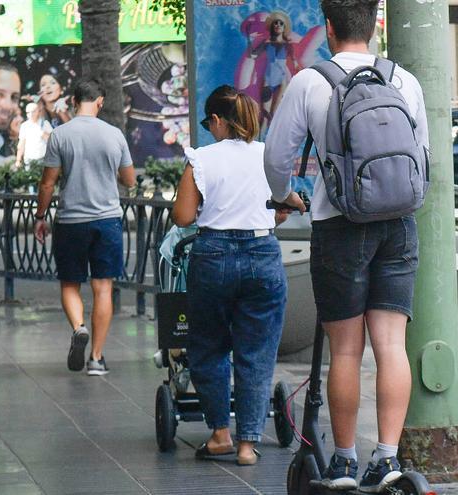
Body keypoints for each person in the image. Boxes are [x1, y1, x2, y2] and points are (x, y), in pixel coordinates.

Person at [263, 0, 428, 491]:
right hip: (398, 224)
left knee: (347, 352)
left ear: (329, 28)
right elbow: (425, 156)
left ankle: (344, 462)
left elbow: (276, 158)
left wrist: (283, 197)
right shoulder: (405, 81)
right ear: (375, 24)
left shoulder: (311, 82)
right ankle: (389, 458)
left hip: (340, 227)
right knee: (392, 345)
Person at [171, 85, 296, 466]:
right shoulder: (268, 157)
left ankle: (220, 434)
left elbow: (183, 217)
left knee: (208, 346)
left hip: (213, 256)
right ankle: (247, 445)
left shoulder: (201, 159)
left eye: (209, 124)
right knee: (256, 352)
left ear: (217, 121)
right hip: (262, 254)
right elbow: (280, 206)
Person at [33, 78, 136, 376]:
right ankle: (96, 359)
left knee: (69, 284)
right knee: (103, 287)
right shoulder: (114, 134)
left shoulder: (60, 135)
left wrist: (40, 216)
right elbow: (129, 180)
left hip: (70, 221)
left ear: (74, 101)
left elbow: (48, 182)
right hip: (107, 220)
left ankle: (79, 327)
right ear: (100, 101)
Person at [15, 102, 53, 168]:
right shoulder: (24, 126)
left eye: (33, 111)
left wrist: (42, 132)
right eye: (28, 112)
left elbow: (52, 141)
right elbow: (21, 144)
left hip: (43, 159)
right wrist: (18, 160)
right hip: (29, 160)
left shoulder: (45, 123)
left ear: (38, 112)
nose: (31, 114)